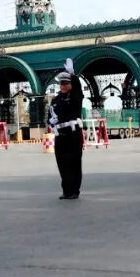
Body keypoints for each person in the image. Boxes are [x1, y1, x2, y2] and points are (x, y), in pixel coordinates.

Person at [49, 59, 84, 199]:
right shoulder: (56, 99)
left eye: (66, 83)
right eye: (61, 83)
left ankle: (74, 191)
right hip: (60, 134)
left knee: (74, 162)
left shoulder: (75, 97)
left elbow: (77, 89)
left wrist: (73, 75)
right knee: (62, 163)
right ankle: (66, 190)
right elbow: (50, 113)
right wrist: (50, 121)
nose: (63, 86)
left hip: (73, 133)